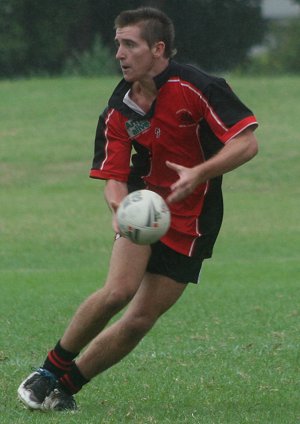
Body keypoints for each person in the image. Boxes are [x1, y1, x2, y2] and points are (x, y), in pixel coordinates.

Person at [17, 7, 258, 412]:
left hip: (195, 220)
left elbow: (246, 142)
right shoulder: (119, 106)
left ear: (158, 48)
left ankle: (66, 388)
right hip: (143, 208)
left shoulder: (199, 88)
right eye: (118, 44)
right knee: (117, 292)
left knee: (140, 320)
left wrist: (200, 172)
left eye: (129, 44)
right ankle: (47, 372)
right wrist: (119, 205)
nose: (119, 53)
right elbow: (113, 173)